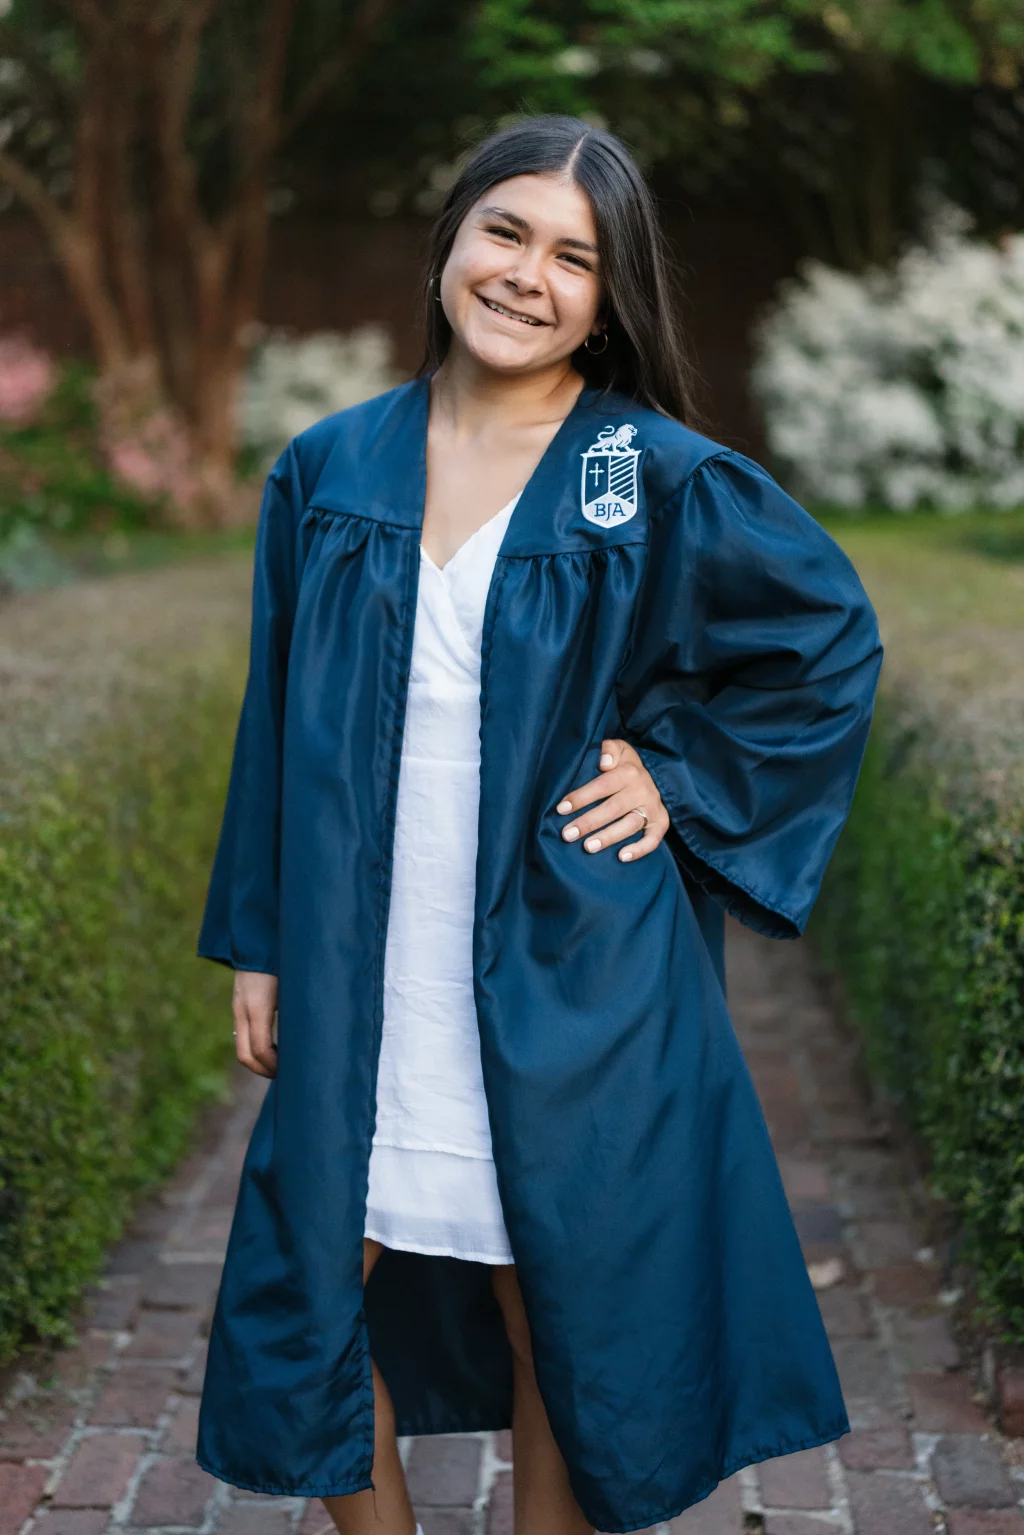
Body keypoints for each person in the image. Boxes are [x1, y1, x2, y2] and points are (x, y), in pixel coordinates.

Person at [195, 115, 883, 1535]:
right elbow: (274, 718)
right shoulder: (328, 470)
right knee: (314, 1280)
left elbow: (825, 641)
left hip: (575, 958)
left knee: (561, 1300)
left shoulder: (646, 469)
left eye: (575, 256)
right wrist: (258, 941)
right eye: (506, 230)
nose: (528, 274)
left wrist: (673, 776)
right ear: (450, 239)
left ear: (609, 294)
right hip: (362, 952)